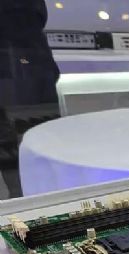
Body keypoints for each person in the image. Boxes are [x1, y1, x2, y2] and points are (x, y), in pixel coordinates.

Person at [0, 0, 60, 198]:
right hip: (26, 61)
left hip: (25, 61)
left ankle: (27, 202)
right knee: (26, 149)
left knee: (22, 149)